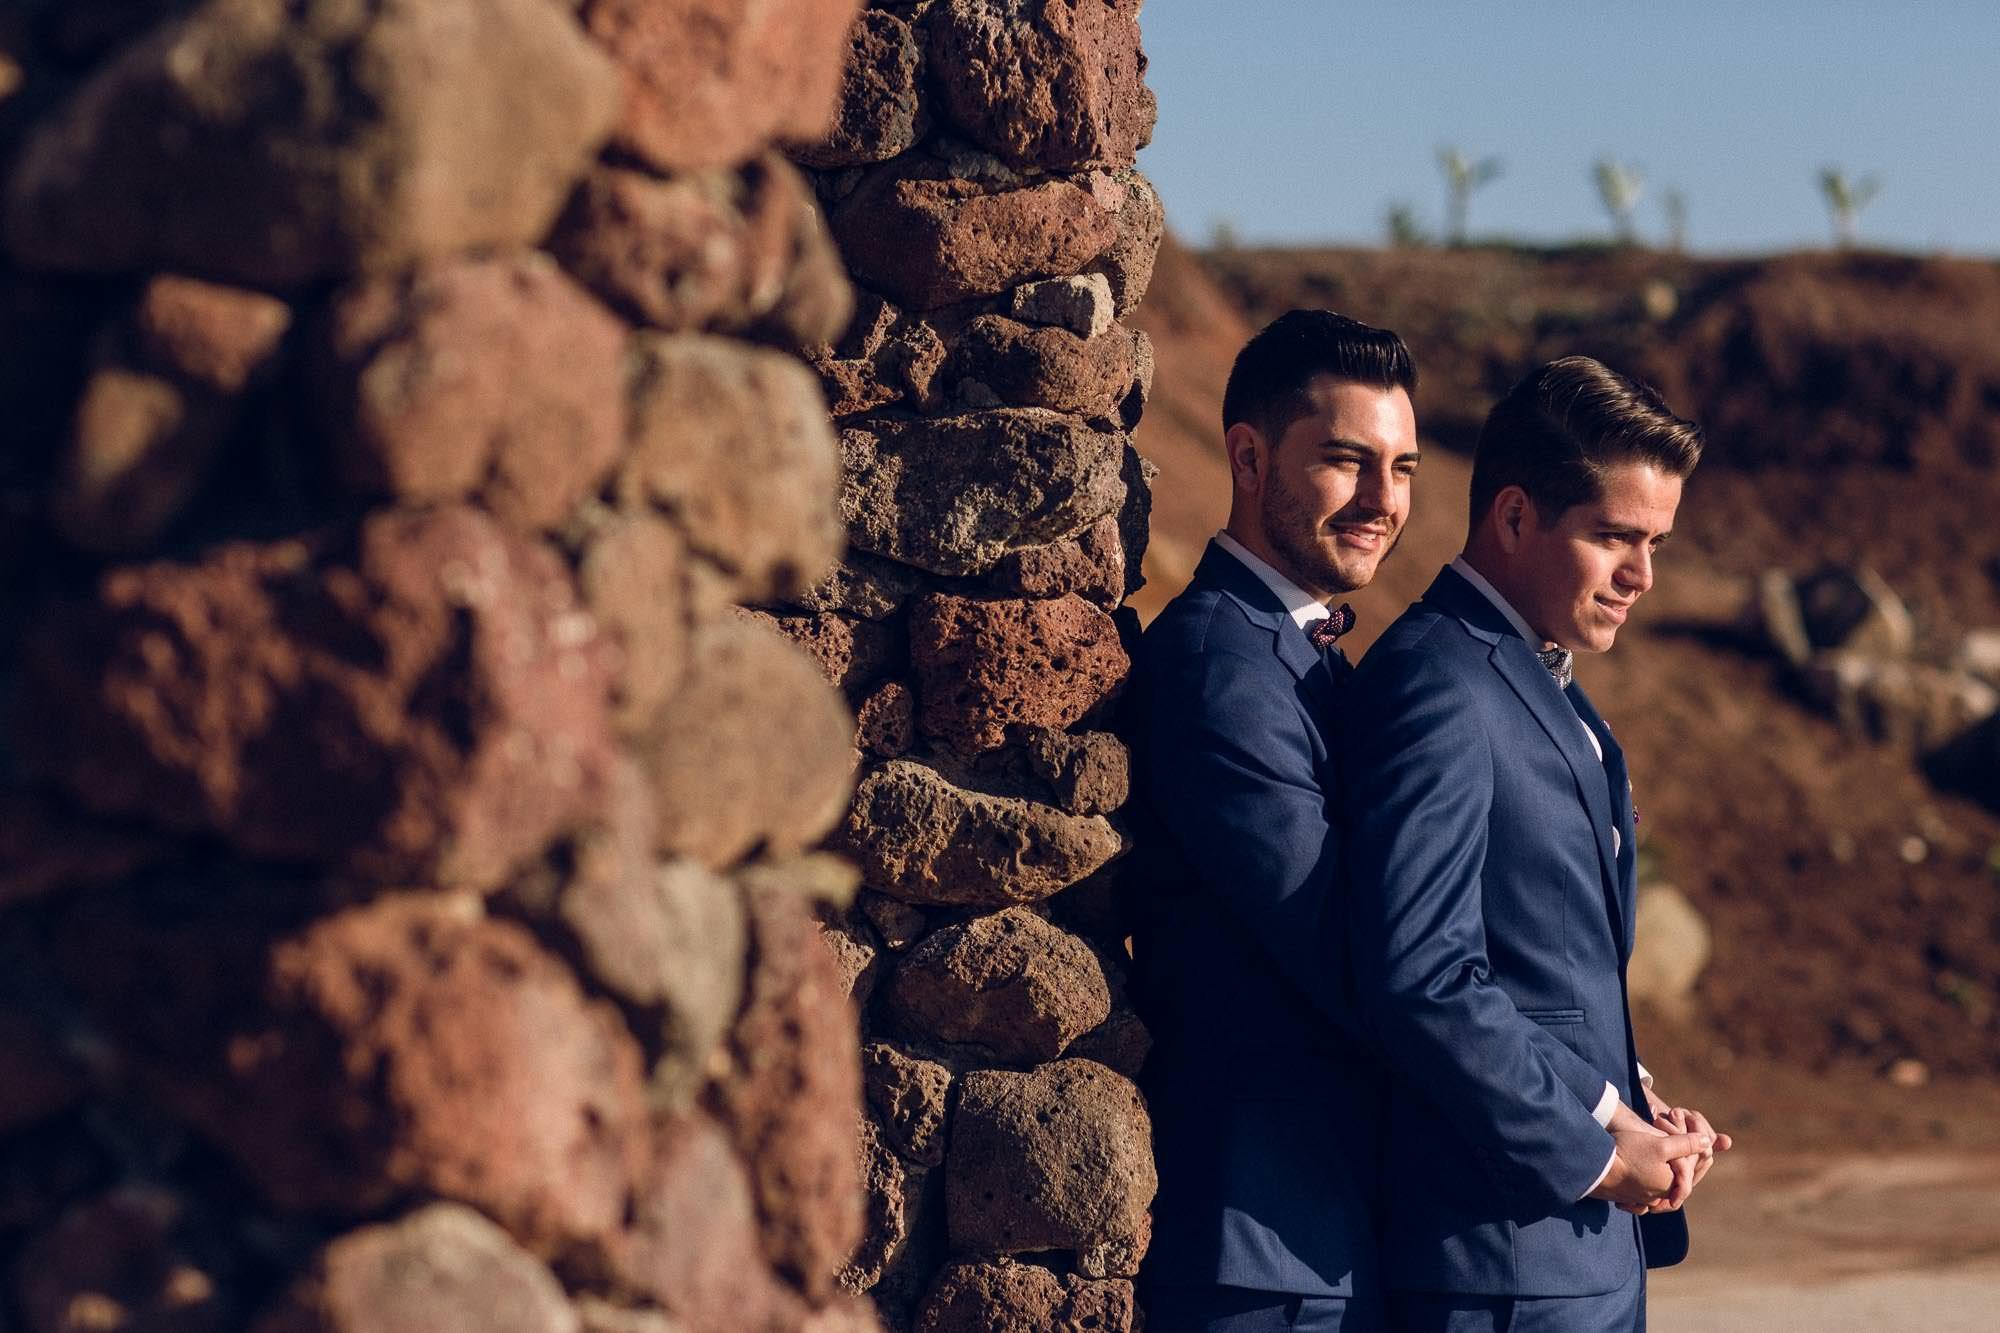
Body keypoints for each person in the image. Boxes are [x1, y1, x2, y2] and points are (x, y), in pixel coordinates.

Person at [1339, 356, 1730, 1332]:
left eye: (1654, 543)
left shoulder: (1544, 684)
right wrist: (1599, 1143)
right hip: (1496, 1266)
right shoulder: (1436, 687)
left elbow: (1539, 963)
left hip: (1573, 1257)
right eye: (1613, 537)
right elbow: (1422, 975)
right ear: (1513, 518)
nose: (1641, 576)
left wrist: (1635, 1101)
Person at [1130, 309, 1421, 1332]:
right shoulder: (1222, 666)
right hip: (1259, 1249)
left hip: (1319, 1230)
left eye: (1402, 468)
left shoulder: (1302, 658)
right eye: (1346, 462)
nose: (1383, 501)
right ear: (1247, 457)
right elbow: (1350, 942)